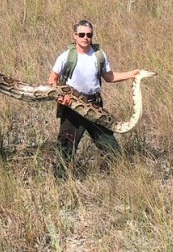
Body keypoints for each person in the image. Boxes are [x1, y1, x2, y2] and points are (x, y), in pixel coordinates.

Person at [48, 19, 140, 177]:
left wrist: (132, 74)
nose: (85, 38)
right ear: (75, 36)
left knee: (110, 146)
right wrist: (62, 98)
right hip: (72, 108)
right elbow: (52, 80)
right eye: (81, 34)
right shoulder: (66, 56)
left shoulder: (99, 55)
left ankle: (117, 177)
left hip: (94, 106)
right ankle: (61, 183)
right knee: (66, 148)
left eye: (89, 35)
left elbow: (109, 77)